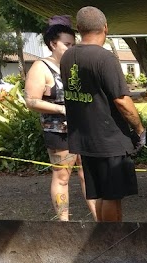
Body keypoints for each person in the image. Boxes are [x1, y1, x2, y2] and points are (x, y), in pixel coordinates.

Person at [60, 6, 144, 222]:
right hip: (109, 140)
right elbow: (122, 101)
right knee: (111, 197)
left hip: (85, 139)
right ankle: (113, 242)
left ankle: (103, 239)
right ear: (106, 27)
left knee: (98, 193)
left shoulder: (68, 57)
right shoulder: (105, 59)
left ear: (78, 29)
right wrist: (139, 128)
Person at [24, 18, 96, 221]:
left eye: (74, 44)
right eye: (67, 44)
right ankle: (63, 223)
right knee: (62, 177)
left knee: (87, 176)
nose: (72, 48)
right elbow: (31, 101)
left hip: (83, 131)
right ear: (53, 44)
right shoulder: (41, 67)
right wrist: (60, 109)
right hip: (59, 132)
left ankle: (100, 221)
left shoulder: (74, 65)